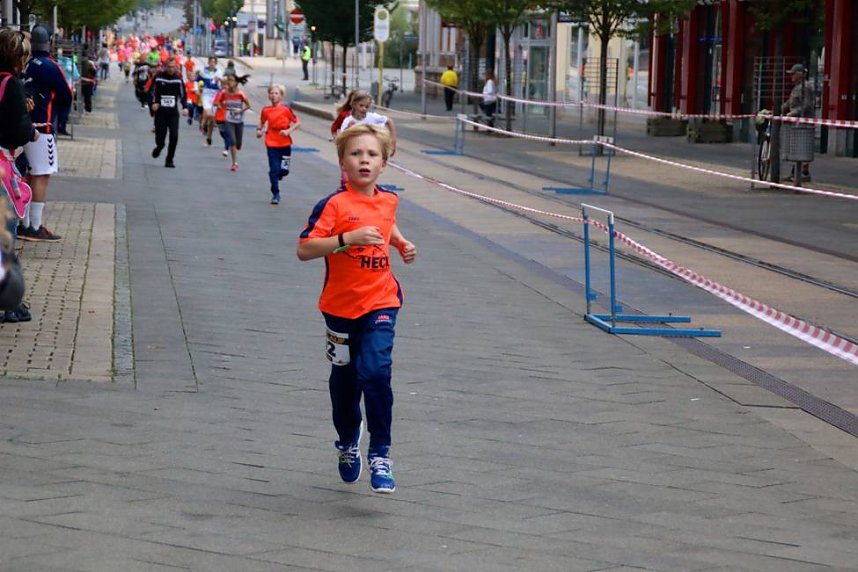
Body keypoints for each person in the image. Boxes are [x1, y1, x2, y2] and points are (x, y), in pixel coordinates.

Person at [297, 124, 416, 494]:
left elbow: (386, 222)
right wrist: (347, 239)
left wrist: (401, 243)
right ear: (342, 162)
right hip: (338, 308)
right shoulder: (333, 205)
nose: (364, 160)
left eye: (372, 155)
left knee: (376, 372)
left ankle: (381, 451)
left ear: (384, 164)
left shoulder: (388, 200)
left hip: (381, 301)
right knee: (344, 385)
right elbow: (305, 249)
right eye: (356, 154)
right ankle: (348, 440)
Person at [18, 25, 72, 242]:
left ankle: (24, 223)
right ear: (49, 41)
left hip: (25, 125)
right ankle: (35, 226)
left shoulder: (28, 63)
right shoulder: (50, 66)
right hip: (43, 127)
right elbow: (66, 94)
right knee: (41, 175)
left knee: (29, 174)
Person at [0, 28, 35, 321]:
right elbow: (18, 130)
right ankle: (7, 303)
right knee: (5, 233)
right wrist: (31, 129)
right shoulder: (10, 84)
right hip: (1, 164)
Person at [257, 83, 300, 204]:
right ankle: (275, 193)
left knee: (284, 170)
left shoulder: (286, 109)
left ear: (281, 96)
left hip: (285, 143)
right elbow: (261, 122)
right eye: (271, 93)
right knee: (274, 170)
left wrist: (288, 131)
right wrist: (259, 130)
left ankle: (279, 174)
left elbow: (297, 123)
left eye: (276, 93)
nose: (273, 95)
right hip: (271, 142)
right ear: (269, 96)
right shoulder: (266, 110)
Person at [150, 57, 187, 168]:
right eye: (169, 67)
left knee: (174, 135)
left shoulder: (178, 80)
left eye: (173, 67)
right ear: (165, 67)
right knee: (160, 137)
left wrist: (185, 107)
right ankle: (160, 146)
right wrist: (153, 104)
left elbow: (183, 95)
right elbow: (151, 92)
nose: (171, 69)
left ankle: (169, 159)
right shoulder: (158, 78)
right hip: (160, 112)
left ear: (176, 67)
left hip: (172, 113)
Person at [338, 90, 396, 156]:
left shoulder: (372, 117)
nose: (364, 109)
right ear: (354, 105)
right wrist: (348, 128)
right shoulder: (348, 120)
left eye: (367, 107)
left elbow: (389, 121)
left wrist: (393, 142)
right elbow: (341, 138)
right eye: (361, 105)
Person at [782, 63, 814, 182]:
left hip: (803, 121)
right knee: (796, 147)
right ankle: (795, 173)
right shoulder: (797, 87)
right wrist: (779, 108)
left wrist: (793, 113)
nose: (791, 76)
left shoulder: (805, 87)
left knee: (802, 147)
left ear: (799, 75)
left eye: (793, 74)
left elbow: (806, 105)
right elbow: (790, 102)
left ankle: (804, 173)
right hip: (796, 121)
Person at [213, 74, 250, 171]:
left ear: (236, 83)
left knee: (238, 143)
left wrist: (240, 111)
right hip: (228, 119)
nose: (230, 82)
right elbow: (216, 102)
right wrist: (221, 105)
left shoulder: (241, 94)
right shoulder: (224, 93)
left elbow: (248, 106)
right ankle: (234, 163)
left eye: (232, 80)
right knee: (232, 141)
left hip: (239, 120)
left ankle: (236, 148)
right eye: (229, 80)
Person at [198, 56, 223, 146]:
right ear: (208, 62)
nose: (212, 63)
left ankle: (209, 136)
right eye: (210, 62)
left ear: (216, 63)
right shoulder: (203, 71)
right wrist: (198, 88)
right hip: (206, 94)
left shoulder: (219, 72)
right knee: (208, 113)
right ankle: (204, 124)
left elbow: (222, 85)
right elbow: (197, 80)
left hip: (215, 94)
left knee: (212, 119)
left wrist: (219, 80)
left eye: (214, 62)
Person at [79, 45, 97, 112]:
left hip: (79, 82)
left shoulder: (77, 62)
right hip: (87, 82)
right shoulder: (89, 63)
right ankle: (88, 109)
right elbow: (94, 72)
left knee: (77, 96)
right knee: (87, 97)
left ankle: (76, 107)